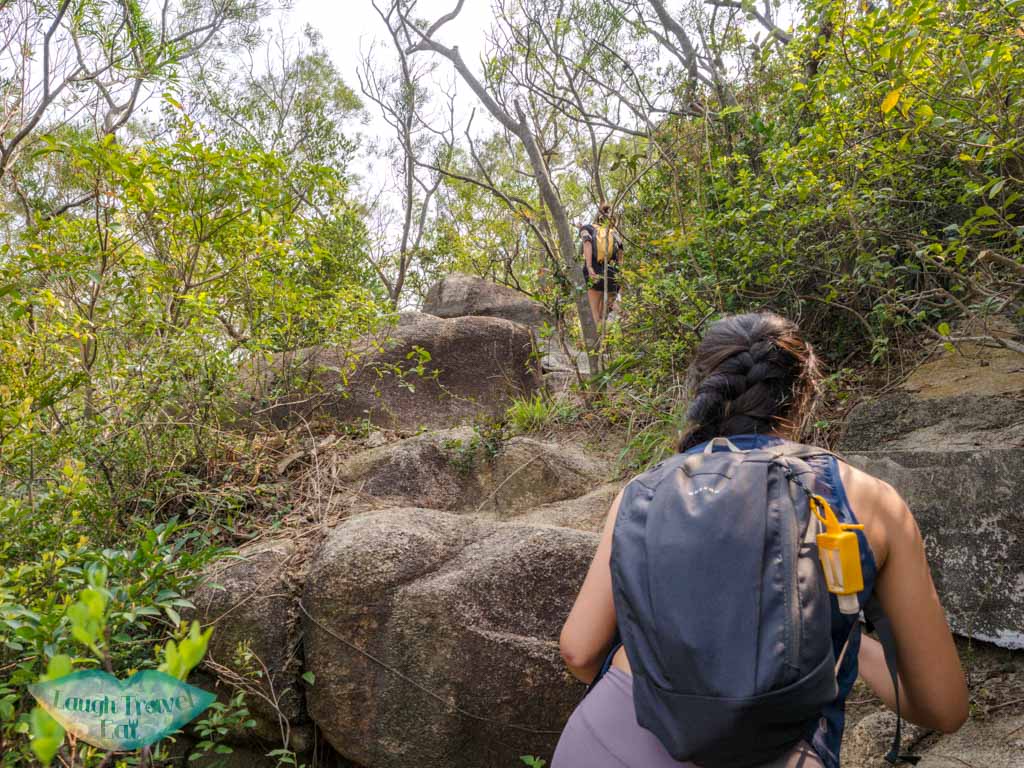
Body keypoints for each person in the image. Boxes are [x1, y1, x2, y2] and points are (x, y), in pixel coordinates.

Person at [553, 312, 968, 768]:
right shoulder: (867, 498)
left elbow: (578, 649)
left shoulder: (644, 490)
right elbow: (943, 708)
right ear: (805, 394)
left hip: (610, 738)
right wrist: (851, 640)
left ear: (704, 391)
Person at [580, 203, 623, 330]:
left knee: (595, 314)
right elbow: (620, 256)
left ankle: (599, 345)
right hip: (612, 274)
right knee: (607, 313)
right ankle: (610, 336)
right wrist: (620, 277)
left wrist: (589, 267)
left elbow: (587, 244)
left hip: (594, 272)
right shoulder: (615, 233)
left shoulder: (587, 228)